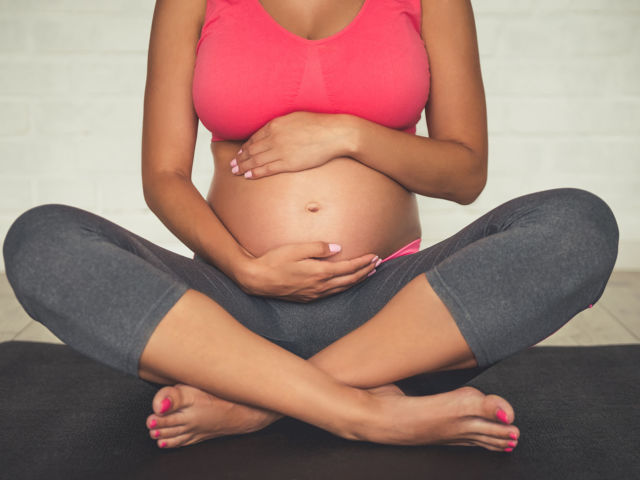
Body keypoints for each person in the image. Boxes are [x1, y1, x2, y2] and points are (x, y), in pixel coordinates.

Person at [2, 0, 618, 453]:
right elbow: (163, 176)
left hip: (395, 311)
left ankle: (255, 402)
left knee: (577, 225)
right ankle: (365, 413)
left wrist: (345, 132)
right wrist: (244, 267)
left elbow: (465, 174)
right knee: (42, 240)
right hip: (229, 309)